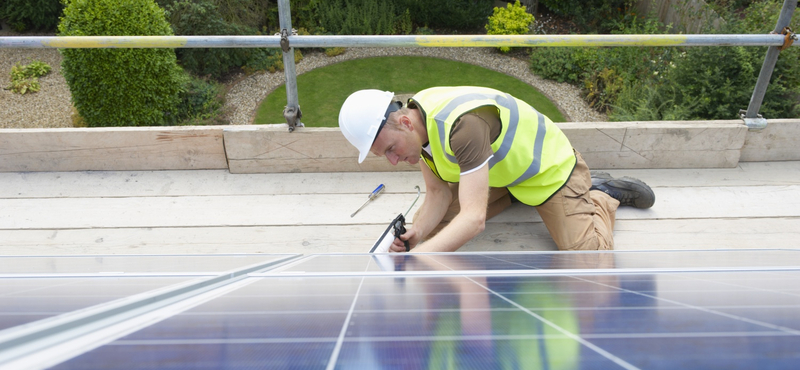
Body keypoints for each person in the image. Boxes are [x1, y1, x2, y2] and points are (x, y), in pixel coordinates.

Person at [338, 86, 655, 253]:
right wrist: (417, 234)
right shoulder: (417, 124)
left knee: (588, 257)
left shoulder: (460, 127)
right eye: (385, 156)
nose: (393, 161)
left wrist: (417, 261)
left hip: (549, 172)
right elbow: (436, 194)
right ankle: (518, 198)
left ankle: (598, 195)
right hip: (502, 173)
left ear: (404, 122)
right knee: (434, 233)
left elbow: (473, 220)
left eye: (391, 149)